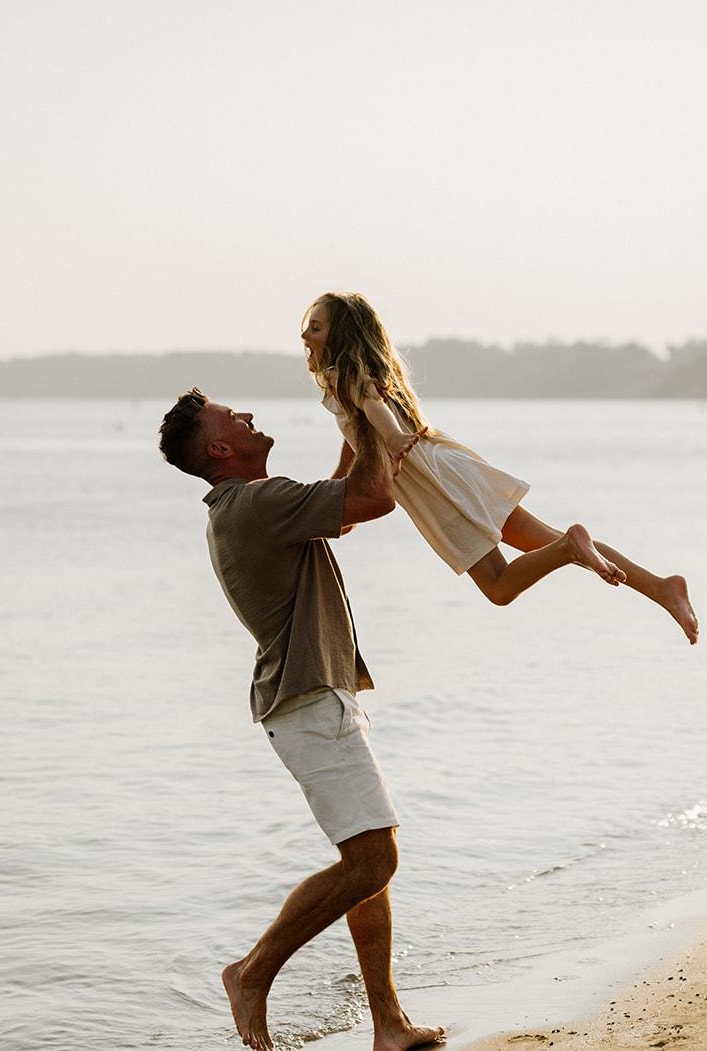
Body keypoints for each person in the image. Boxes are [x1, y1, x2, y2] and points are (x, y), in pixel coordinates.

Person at [158, 388, 445, 1051]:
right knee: (373, 860)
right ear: (219, 447)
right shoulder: (259, 503)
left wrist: (352, 419)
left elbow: (344, 503)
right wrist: (366, 411)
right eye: (232, 417)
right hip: (310, 702)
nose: (247, 415)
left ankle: (388, 1024)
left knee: (365, 859)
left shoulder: (252, 505)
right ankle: (252, 972)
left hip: (314, 699)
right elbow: (374, 498)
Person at [301, 291, 698, 642]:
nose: (305, 336)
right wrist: (336, 498)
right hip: (455, 468)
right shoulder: (372, 376)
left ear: (342, 337)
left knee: (499, 587)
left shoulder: (342, 375)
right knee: (552, 541)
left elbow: (373, 409)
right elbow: (357, 438)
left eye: (316, 328)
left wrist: (392, 438)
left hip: (440, 492)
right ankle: (661, 587)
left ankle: (569, 548)